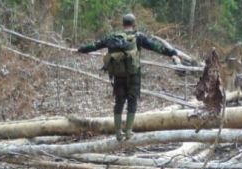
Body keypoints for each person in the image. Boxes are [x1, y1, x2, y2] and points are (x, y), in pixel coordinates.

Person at [76, 13, 180, 141]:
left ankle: (118, 133)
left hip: (118, 75)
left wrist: (80, 49)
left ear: (123, 24)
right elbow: (156, 47)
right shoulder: (139, 37)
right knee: (132, 100)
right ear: (134, 24)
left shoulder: (112, 37)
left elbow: (95, 45)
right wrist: (172, 53)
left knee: (119, 102)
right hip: (134, 74)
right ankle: (129, 132)